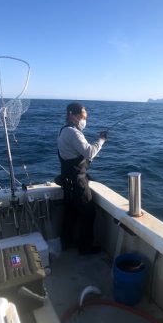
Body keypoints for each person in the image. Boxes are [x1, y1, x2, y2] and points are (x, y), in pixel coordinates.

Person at [57, 102, 107, 254]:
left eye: (85, 117)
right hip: (77, 181)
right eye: (82, 116)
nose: (84, 120)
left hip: (67, 180)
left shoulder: (63, 130)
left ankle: (67, 243)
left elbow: (72, 155)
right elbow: (90, 152)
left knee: (71, 212)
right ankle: (85, 248)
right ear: (72, 115)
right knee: (88, 212)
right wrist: (102, 140)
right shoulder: (74, 133)